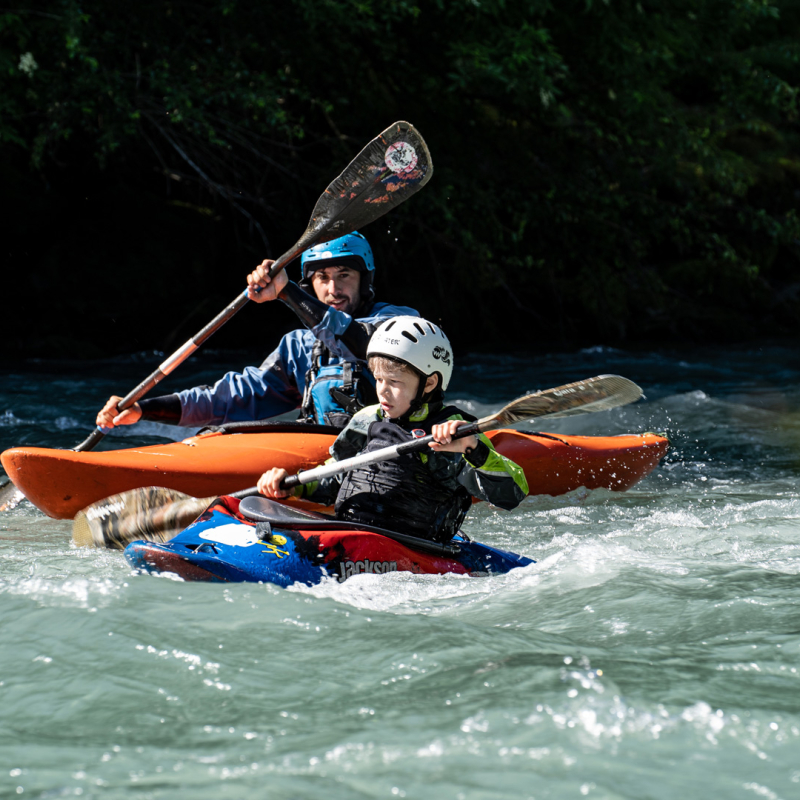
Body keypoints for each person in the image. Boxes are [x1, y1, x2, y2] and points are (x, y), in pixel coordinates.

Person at [96, 232, 418, 430]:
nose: (333, 288)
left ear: (365, 280)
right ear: (312, 285)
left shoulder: (399, 323)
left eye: (344, 275)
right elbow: (230, 399)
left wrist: (288, 292)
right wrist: (145, 409)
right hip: (328, 465)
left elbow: (361, 343)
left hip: (388, 458)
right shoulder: (299, 348)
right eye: (322, 278)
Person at [257, 317, 529, 543]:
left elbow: (513, 493)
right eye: (378, 379)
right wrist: (295, 486)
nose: (382, 390)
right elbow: (335, 477)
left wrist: (474, 449)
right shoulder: (368, 419)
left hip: (414, 549)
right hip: (353, 537)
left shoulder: (456, 434)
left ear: (430, 383)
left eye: (395, 381)